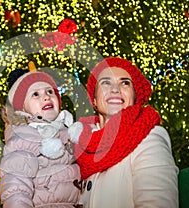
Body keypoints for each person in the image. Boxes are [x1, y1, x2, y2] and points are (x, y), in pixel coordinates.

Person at [69, 57, 178, 207]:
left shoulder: (149, 136)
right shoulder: (76, 143)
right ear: (93, 99)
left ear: (134, 97)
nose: (115, 89)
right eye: (106, 82)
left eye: (125, 83)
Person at [0, 69, 80, 208]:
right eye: (35, 94)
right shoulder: (23, 141)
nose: (46, 97)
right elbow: (17, 188)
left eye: (50, 92)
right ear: (22, 108)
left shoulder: (68, 134)